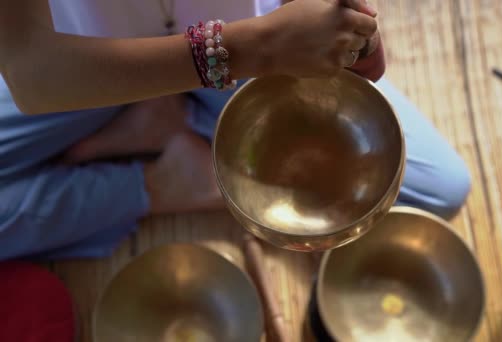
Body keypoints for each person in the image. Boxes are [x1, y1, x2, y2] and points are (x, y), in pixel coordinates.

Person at [0, 0, 471, 260]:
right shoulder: (253, 46)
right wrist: (255, 49)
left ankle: (169, 121)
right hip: (87, 65)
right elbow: (34, 75)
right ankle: (160, 183)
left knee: (439, 188)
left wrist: (335, 13)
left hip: (249, 30)